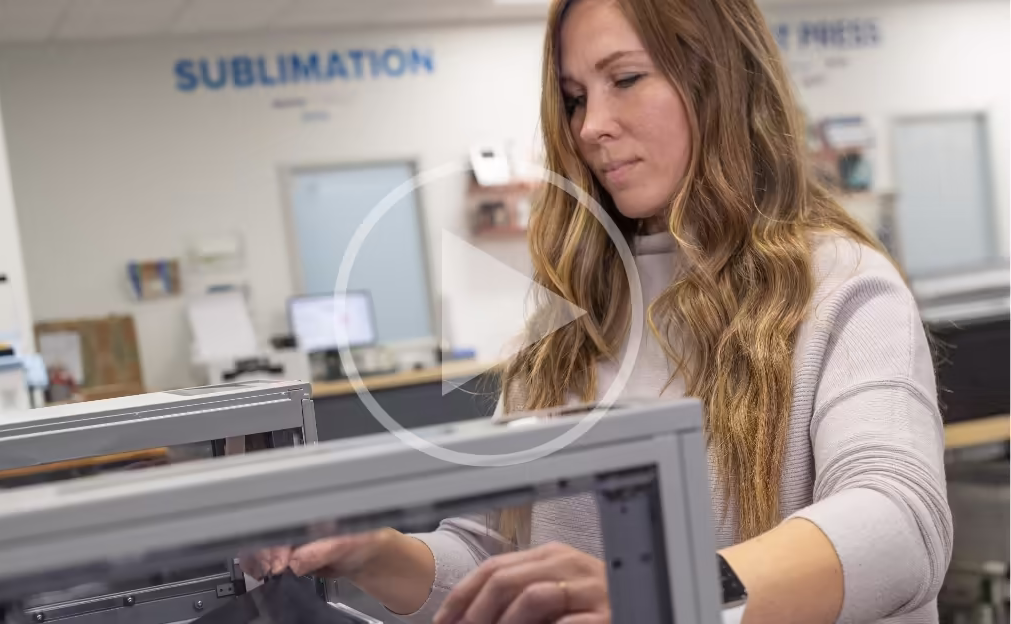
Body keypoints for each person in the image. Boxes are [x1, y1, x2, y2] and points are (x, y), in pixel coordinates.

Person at [244, 0, 952, 622]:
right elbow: (495, 557)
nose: (590, 127)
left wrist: (670, 596)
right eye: (576, 96)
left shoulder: (839, 284)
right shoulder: (575, 315)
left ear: (720, 80)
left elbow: (898, 522)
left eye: (626, 78)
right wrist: (371, 551)